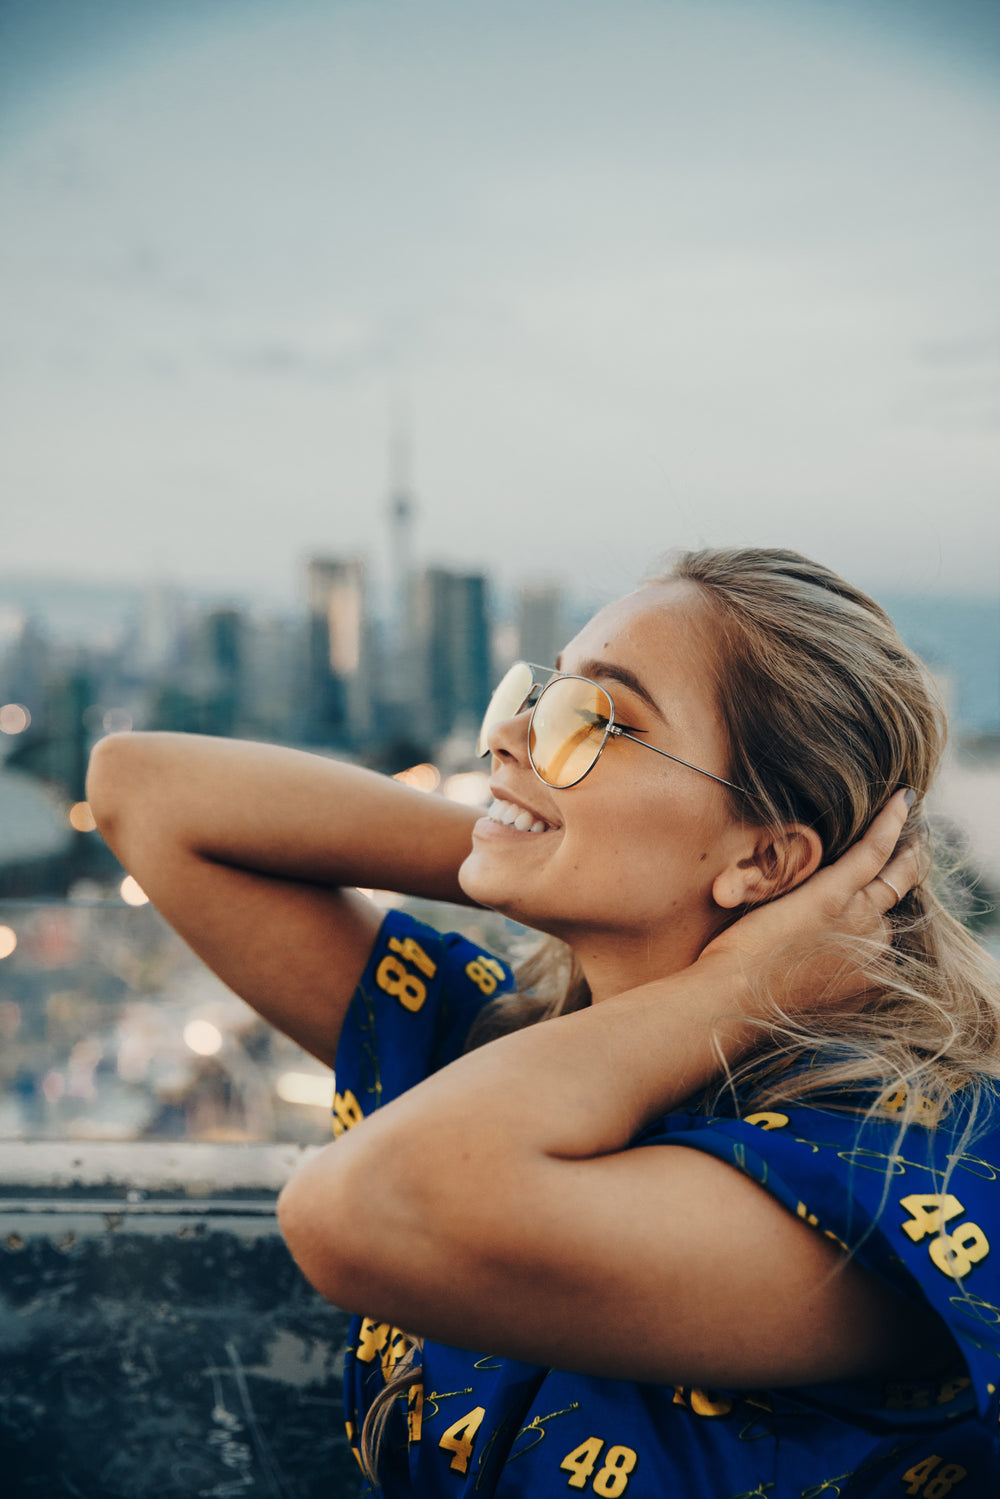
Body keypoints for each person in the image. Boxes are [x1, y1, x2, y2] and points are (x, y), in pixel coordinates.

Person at [87, 547, 1000, 1498]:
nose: (509, 737)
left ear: (766, 859)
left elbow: (356, 1209)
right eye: (536, 693)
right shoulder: (500, 1043)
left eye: (594, 719)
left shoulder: (894, 1173)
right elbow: (142, 790)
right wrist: (526, 845)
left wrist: (727, 985)